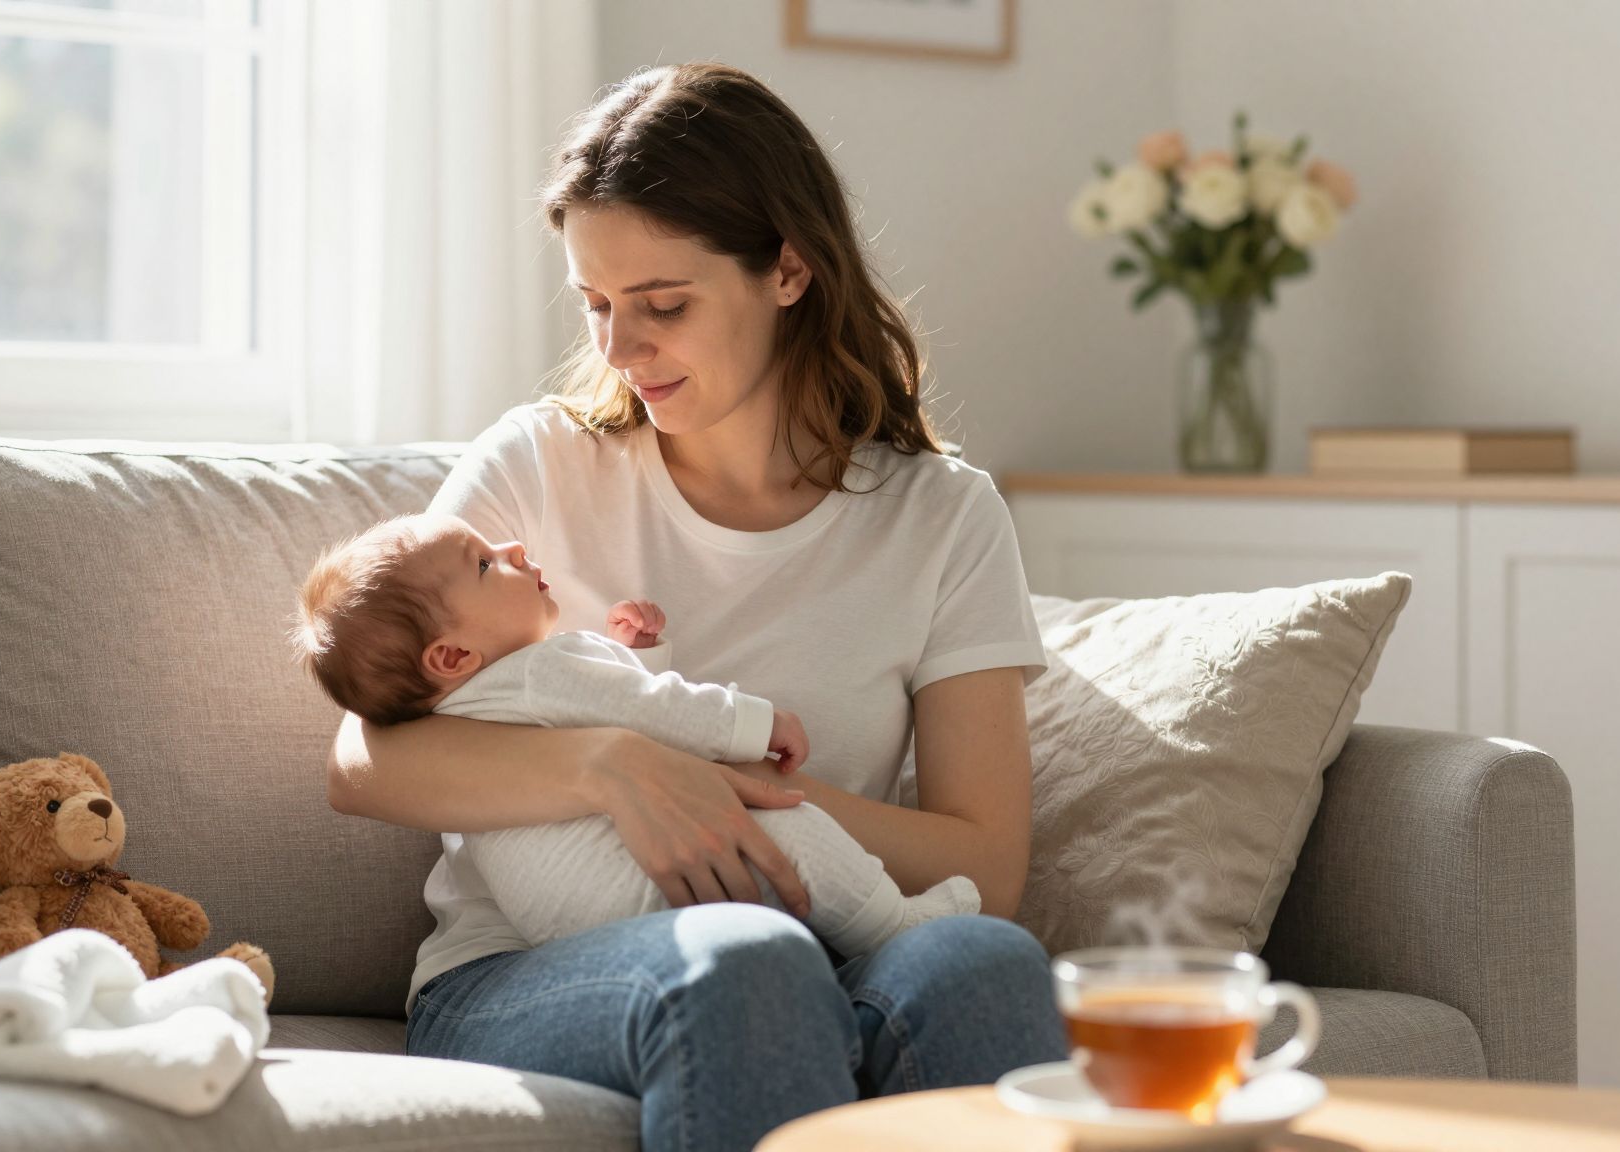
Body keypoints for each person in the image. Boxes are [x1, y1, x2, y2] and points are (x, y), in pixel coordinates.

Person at [326, 61, 1067, 1152]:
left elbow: (984, 865)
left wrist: (732, 796)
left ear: (788, 271)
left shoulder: (941, 517)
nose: (620, 352)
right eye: (595, 308)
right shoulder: (536, 464)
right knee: (743, 964)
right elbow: (361, 761)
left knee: (981, 960)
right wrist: (614, 767)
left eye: (662, 305)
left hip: (837, 943)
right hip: (530, 973)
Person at [292, 510, 982, 958]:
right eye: (483, 563)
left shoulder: (460, 703)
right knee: (798, 830)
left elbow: (612, 700)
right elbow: (654, 711)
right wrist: (757, 723)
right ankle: (894, 927)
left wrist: (629, 652)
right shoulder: (542, 670)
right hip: (631, 886)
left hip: (568, 921)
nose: (511, 545)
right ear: (449, 656)